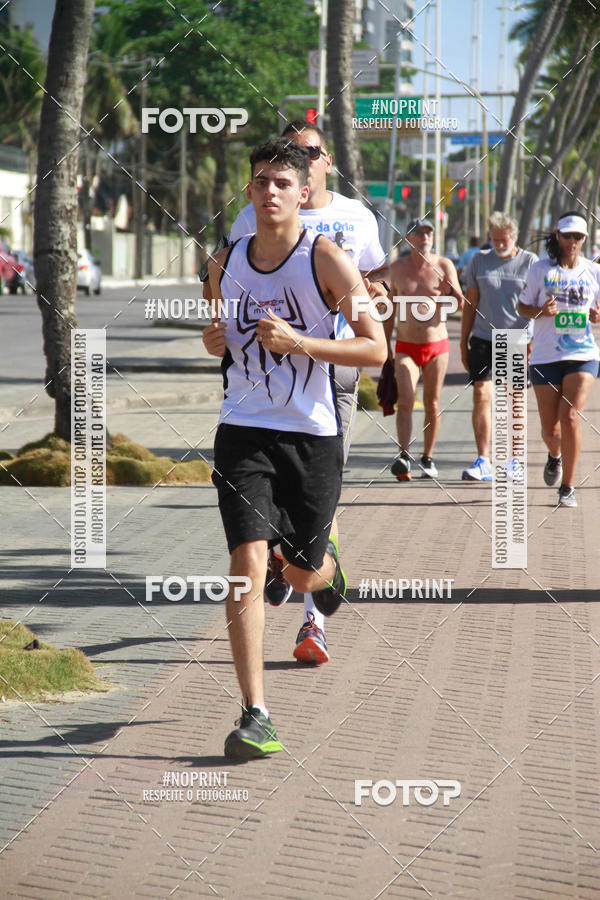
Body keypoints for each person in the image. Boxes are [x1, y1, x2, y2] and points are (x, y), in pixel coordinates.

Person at [203, 138, 386, 759]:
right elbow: (219, 340)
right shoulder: (225, 259)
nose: (271, 192)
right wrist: (213, 339)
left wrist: (299, 343)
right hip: (243, 429)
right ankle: (256, 712)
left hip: (311, 434)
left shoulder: (327, 260)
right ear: (250, 192)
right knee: (245, 563)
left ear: (302, 194)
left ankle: (318, 563)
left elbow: (374, 350)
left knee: (307, 573)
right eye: (261, 183)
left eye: (283, 183)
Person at [518, 210, 600, 508]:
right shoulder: (541, 270)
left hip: (582, 354)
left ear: (584, 239)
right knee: (550, 429)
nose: (572, 241)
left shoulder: (593, 271)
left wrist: (597, 315)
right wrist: (541, 312)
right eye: (567, 236)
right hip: (545, 356)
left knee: (570, 417)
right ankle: (555, 456)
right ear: (558, 236)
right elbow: (522, 307)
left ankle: (567, 487)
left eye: (578, 236)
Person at [460, 212, 538, 481]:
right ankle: (483, 460)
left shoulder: (530, 262)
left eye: (504, 239)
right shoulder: (479, 261)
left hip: (516, 338)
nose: (499, 244)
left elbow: (539, 304)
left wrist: (533, 341)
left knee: (514, 400)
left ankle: (515, 461)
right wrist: (463, 340)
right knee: (482, 394)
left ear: (515, 237)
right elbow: (470, 303)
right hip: (483, 338)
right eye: (494, 239)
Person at [384, 218, 463, 480]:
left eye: (428, 232)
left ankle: (428, 458)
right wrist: (386, 347)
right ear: (408, 239)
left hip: (437, 345)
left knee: (433, 402)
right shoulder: (396, 268)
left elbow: (460, 303)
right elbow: (389, 311)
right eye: (419, 233)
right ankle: (404, 456)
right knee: (405, 399)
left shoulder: (443, 265)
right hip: (406, 345)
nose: (425, 237)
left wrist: (451, 292)